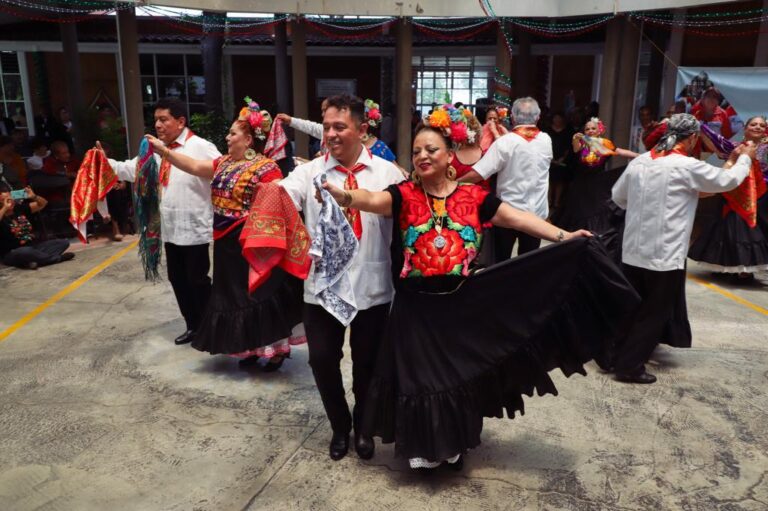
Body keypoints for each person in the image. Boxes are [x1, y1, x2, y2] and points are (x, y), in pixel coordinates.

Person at [320, 123, 638, 470]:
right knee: (422, 380)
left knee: (456, 377)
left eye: (431, 149)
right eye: (417, 151)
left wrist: (564, 236)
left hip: (461, 304)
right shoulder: (402, 194)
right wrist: (347, 197)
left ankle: (453, 444)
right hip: (416, 309)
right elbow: (371, 199)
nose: (422, 156)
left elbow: (517, 219)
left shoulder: (474, 197)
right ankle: (427, 448)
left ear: (449, 156)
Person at [279, 94, 404, 462]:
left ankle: (364, 426)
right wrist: (268, 193)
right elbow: (283, 196)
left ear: (362, 130)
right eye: (326, 127)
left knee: (367, 364)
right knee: (321, 359)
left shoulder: (388, 173)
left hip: (372, 285)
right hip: (322, 288)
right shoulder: (308, 173)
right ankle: (339, 425)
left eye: (339, 127)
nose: (331, 134)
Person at [144, 98, 305, 371]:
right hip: (225, 242)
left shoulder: (267, 169)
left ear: (248, 139)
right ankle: (250, 346)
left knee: (258, 295)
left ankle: (275, 351)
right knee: (234, 297)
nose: (227, 138)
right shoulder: (223, 163)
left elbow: (279, 206)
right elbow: (194, 167)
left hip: (251, 241)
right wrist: (165, 153)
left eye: (232, 134)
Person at [610, 113, 755, 384]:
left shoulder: (641, 161)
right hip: (665, 253)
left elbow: (619, 197)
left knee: (631, 308)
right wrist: (745, 158)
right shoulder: (686, 166)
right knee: (654, 312)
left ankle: (612, 357)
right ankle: (629, 366)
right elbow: (728, 181)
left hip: (633, 250)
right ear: (691, 138)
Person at [97, 98, 221, 346]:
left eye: (164, 119)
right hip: (170, 228)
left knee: (197, 280)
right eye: (156, 120)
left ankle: (212, 328)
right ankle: (193, 325)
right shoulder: (155, 150)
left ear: (180, 121)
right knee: (178, 279)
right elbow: (130, 170)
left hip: (194, 226)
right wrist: (104, 161)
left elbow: (222, 171)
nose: (158, 125)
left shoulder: (200, 146)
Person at [460, 97, 553, 261]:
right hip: (536, 214)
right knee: (529, 261)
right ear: (538, 118)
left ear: (513, 118)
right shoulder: (546, 140)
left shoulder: (505, 142)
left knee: (501, 261)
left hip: (508, 214)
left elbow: (479, 173)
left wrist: (453, 182)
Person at [689, 116, 768, 280]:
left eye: (762, 125)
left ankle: (747, 267)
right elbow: (713, 139)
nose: (758, 127)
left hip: (760, 196)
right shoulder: (735, 147)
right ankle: (727, 265)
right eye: (753, 124)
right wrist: (700, 126)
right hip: (734, 195)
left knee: (755, 231)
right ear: (745, 128)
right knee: (733, 230)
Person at [555, 117, 638, 233]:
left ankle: (595, 231)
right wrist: (575, 138)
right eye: (587, 129)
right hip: (580, 182)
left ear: (599, 131)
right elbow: (575, 149)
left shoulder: (605, 143)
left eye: (593, 128)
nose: (590, 131)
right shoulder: (582, 142)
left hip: (597, 182)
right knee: (578, 207)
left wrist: (640, 156)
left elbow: (621, 151)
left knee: (597, 207)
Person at [0, 185, 74, 269]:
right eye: (5, 200)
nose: (10, 202)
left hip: (33, 247)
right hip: (12, 252)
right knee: (24, 252)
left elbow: (43, 203)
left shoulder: (19, 208)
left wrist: (34, 196)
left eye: (10, 198)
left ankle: (31, 262)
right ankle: (56, 259)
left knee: (63, 243)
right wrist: (5, 208)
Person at [546, 112, 574, 215]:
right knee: (549, 180)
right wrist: (550, 157)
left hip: (562, 160)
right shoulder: (547, 131)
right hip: (549, 159)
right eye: (555, 118)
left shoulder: (568, 132)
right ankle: (549, 201)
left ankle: (556, 202)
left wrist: (562, 158)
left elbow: (569, 147)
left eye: (559, 118)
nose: (557, 120)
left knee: (559, 181)